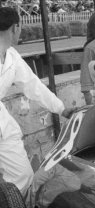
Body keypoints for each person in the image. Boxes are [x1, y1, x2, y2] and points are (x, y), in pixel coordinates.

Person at [0, 7, 71, 194]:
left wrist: (61, 109)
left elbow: (34, 86)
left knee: (22, 175)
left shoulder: (12, 57)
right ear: (15, 27)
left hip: (3, 127)